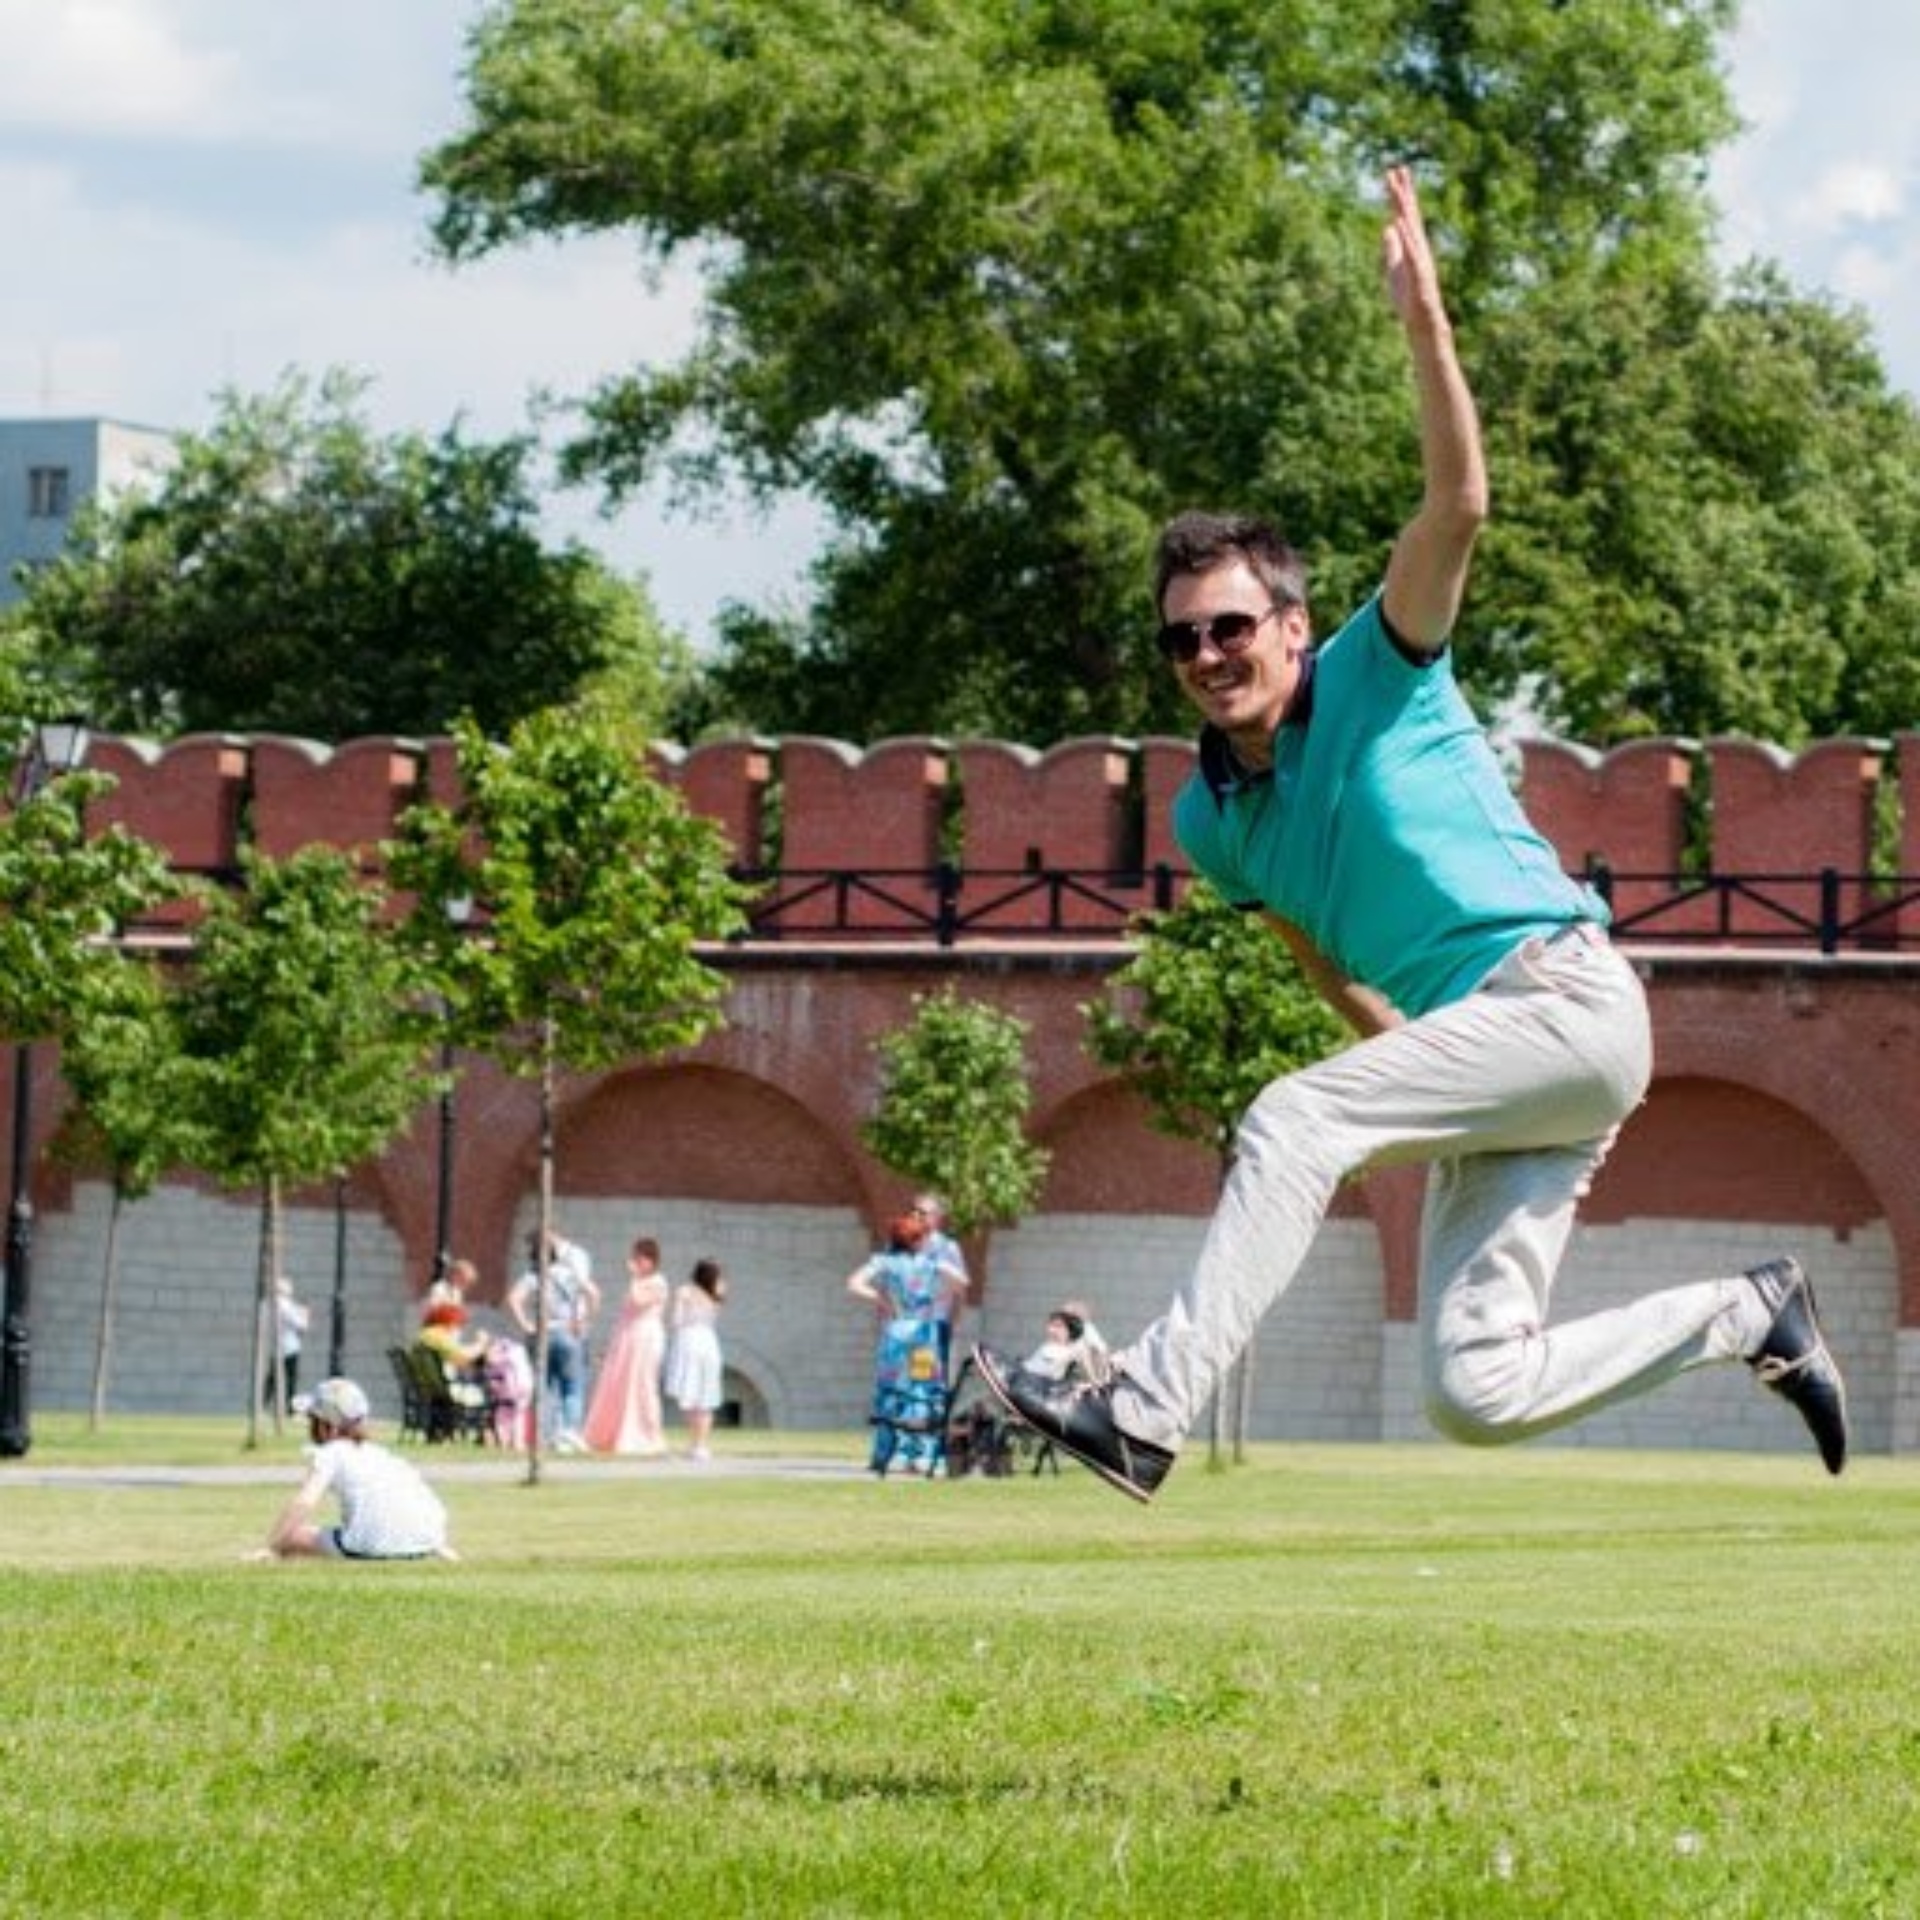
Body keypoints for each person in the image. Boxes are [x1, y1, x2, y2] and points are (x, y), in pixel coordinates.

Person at [975, 165, 1847, 1504]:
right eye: (1181, 639)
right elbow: (1323, 953)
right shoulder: (1212, 818)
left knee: (1287, 1118)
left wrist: (1426, 328)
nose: (1207, 653)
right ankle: (1748, 1316)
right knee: (1472, 1388)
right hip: (1490, 1063)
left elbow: (1461, 510)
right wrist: (1418, 1077)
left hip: (1564, 1002)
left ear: (1289, 622)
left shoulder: (1383, 669)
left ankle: (1142, 1409)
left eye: (1231, 626)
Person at [251, 1377, 456, 1561]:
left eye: (313, 1420)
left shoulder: (331, 1453)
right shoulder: (380, 1454)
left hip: (370, 1545)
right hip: (427, 1539)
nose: (310, 1426)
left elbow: (304, 1502)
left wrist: (272, 1546)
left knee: (294, 1537)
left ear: (327, 1426)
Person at [846, 1210, 969, 1477]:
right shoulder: (931, 1263)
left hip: (895, 1334)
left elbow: (854, 1283)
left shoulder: (885, 1262)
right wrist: (938, 1296)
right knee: (922, 1391)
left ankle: (886, 1454)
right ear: (917, 1240)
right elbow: (961, 1283)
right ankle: (921, 1455)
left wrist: (879, 1297)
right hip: (923, 1337)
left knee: (891, 1392)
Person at [507, 1227, 602, 1453]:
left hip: (543, 1333)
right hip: (569, 1331)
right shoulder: (572, 1270)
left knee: (545, 1386)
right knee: (573, 1385)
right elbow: (593, 1293)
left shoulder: (535, 1274)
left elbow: (513, 1298)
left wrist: (527, 1325)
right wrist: (585, 1319)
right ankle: (569, 1432)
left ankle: (547, 1433)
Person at [583, 1235, 672, 1456]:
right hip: (628, 1336)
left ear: (650, 1261)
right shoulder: (642, 1282)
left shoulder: (658, 1282)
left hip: (645, 1337)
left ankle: (644, 1435)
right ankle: (608, 1434)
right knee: (617, 1383)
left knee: (640, 1385)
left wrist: (634, 1278)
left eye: (639, 1258)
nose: (634, 1262)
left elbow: (639, 1302)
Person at [663, 1258, 729, 1462]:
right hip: (708, 1341)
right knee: (706, 1398)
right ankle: (701, 1446)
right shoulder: (717, 1292)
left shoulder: (684, 1291)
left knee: (691, 1396)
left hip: (689, 1340)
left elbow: (676, 1321)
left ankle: (695, 1445)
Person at [261, 1275, 311, 1415]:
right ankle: (291, 1410)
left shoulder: (266, 1304)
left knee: (272, 1379)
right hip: (290, 1346)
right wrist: (305, 1315)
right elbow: (301, 1325)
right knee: (290, 1380)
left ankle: (262, 1406)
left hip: (274, 1346)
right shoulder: (286, 1306)